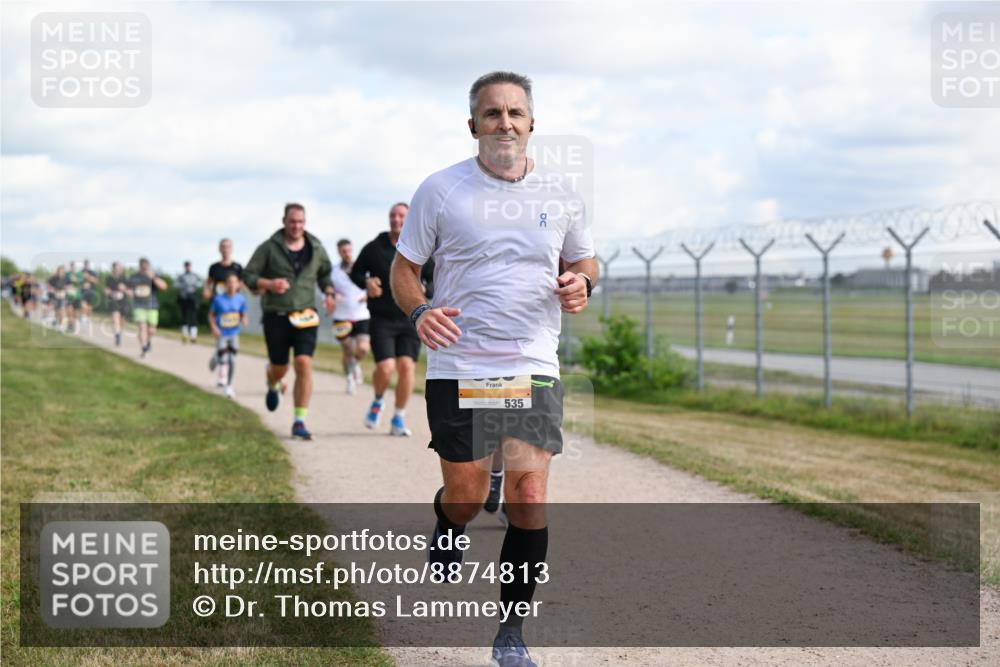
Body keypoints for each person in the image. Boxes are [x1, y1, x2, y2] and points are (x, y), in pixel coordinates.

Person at [390, 71, 597, 667]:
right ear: (473, 124)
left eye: (514, 112)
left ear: (532, 124)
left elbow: (584, 258)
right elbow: (407, 270)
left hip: (531, 362)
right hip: (458, 363)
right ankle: (448, 521)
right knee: (466, 494)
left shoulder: (561, 194)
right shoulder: (441, 189)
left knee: (529, 499)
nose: (504, 122)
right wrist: (421, 309)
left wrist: (581, 281)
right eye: (491, 113)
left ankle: (511, 635)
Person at [243, 203, 336, 440]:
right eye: (292, 221)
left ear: (305, 222)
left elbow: (325, 273)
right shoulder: (268, 248)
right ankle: (273, 381)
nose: (297, 226)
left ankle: (299, 421)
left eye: (301, 222)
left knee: (303, 363)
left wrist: (329, 292)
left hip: (306, 315)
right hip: (277, 314)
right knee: (280, 367)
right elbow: (249, 275)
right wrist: (269, 284)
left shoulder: (316, 247)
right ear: (284, 221)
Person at [351, 203, 434, 436]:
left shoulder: (421, 247)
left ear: (409, 220)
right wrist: (366, 283)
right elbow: (357, 272)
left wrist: (427, 289)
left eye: (401, 216)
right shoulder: (374, 248)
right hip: (382, 318)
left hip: (411, 318)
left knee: (407, 367)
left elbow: (434, 278)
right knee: (386, 368)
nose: (396, 219)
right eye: (393, 215)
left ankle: (398, 416)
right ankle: (378, 400)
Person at [330, 238, 371, 395]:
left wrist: (368, 295)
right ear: (339, 252)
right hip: (341, 316)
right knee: (347, 349)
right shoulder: (333, 271)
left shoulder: (363, 269)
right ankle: (349, 378)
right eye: (343, 251)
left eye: (349, 250)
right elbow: (325, 289)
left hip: (361, 314)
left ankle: (356, 365)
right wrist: (332, 296)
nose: (347, 253)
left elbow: (373, 284)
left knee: (363, 348)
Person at [208, 273, 248, 398]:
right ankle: (216, 358)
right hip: (222, 334)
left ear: (238, 284)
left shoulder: (241, 299)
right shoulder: (218, 299)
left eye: (234, 282)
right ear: (225, 285)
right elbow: (211, 315)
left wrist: (244, 319)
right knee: (223, 359)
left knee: (232, 360)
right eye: (229, 282)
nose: (232, 285)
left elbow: (243, 313)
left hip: (234, 334)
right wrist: (214, 327)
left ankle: (229, 386)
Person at [128, 257, 167, 358]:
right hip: (139, 305)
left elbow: (164, 287)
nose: (145, 268)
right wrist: (130, 293)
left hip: (152, 305)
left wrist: (154, 278)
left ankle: (148, 341)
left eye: (146, 266)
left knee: (152, 330)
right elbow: (129, 289)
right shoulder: (134, 277)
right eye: (143, 266)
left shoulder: (153, 275)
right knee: (142, 327)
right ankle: (144, 347)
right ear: (140, 266)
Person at [176, 260, 203, 344]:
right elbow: (175, 284)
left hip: (193, 297)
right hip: (184, 297)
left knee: (193, 316)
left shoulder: (195, 275)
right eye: (186, 266)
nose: (187, 267)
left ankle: (193, 336)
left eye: (189, 266)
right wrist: (183, 285)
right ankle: (184, 335)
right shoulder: (181, 276)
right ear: (184, 267)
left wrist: (194, 284)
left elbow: (201, 283)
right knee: (184, 317)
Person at [105, 262, 129, 347]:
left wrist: (124, 288)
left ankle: (119, 332)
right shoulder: (109, 278)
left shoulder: (125, 279)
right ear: (113, 269)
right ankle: (117, 336)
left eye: (120, 268)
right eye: (117, 268)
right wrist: (110, 293)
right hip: (113, 301)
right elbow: (106, 290)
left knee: (122, 320)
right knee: (115, 319)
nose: (118, 270)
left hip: (123, 301)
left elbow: (130, 292)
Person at [47, 265, 69, 330]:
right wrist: (51, 289)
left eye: (62, 271)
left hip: (63, 295)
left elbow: (69, 285)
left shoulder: (66, 278)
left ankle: (62, 325)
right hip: (55, 295)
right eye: (59, 271)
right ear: (58, 271)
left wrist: (66, 288)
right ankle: (56, 320)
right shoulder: (54, 278)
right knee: (57, 310)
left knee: (62, 309)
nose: (61, 272)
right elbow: (48, 284)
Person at [79, 259, 98, 329]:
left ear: (88, 264)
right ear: (83, 264)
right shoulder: (80, 272)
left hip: (91, 292)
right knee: (83, 305)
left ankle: (87, 317)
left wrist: (88, 277)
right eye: (85, 264)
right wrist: (82, 285)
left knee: (89, 307)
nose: (86, 265)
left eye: (87, 264)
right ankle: (83, 318)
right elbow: (77, 282)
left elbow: (96, 281)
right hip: (83, 292)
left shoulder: (92, 272)